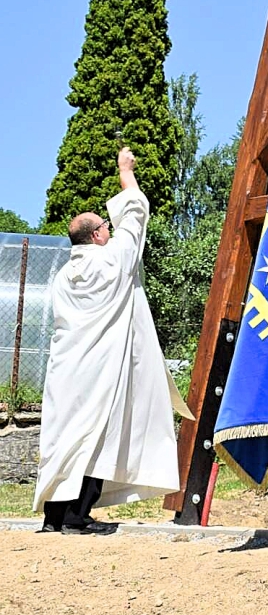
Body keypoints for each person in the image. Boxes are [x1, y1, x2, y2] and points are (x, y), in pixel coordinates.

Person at [34, 147, 192, 534]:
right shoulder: (111, 261)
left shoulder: (62, 276)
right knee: (98, 436)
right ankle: (77, 516)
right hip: (101, 368)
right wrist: (125, 171)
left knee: (64, 439)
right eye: (105, 224)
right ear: (98, 235)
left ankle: (55, 517)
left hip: (66, 371)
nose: (110, 227)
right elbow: (135, 212)